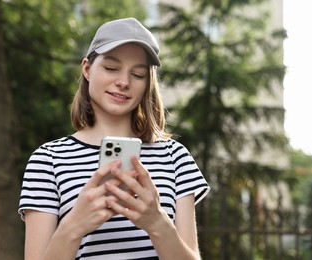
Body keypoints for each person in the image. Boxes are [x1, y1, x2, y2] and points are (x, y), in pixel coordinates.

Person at [18, 17, 210, 260]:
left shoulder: (175, 157)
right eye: (111, 68)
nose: (123, 82)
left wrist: (157, 222)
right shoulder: (48, 160)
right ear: (87, 69)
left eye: (138, 74)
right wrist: (74, 225)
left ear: (147, 83)